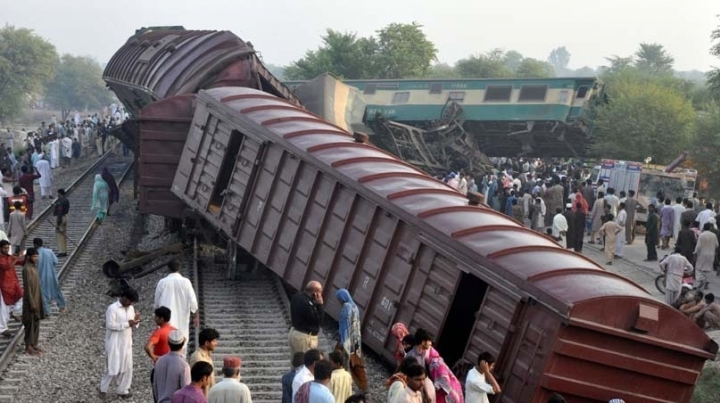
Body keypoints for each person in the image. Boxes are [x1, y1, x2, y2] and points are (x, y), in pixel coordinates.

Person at [100, 288, 141, 399]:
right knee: (112, 366)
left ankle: (123, 390)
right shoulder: (112, 308)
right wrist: (127, 324)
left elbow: (133, 324)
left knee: (127, 367)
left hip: (127, 342)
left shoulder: (131, 308)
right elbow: (110, 325)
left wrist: (136, 321)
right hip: (114, 342)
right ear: (124, 297)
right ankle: (103, 389)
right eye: (129, 301)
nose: (130, 304)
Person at [155, 259, 199, 348]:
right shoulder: (186, 282)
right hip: (182, 317)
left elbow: (156, 302)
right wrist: (195, 316)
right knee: (181, 341)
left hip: (166, 318)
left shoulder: (162, 282)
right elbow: (193, 300)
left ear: (168, 268)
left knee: (167, 342)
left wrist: (157, 316)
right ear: (179, 268)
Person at [335, 288, 367, 391]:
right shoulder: (355, 307)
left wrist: (343, 342)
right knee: (357, 364)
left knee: (339, 362)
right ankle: (363, 386)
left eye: (339, 298)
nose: (338, 301)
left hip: (347, 341)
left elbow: (345, 327)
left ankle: (341, 385)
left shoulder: (346, 308)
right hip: (356, 341)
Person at [146, 306, 176, 400]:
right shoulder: (175, 330)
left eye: (156, 317)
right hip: (173, 368)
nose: (155, 319)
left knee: (158, 396)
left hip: (160, 368)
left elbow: (147, 346)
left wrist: (154, 357)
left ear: (161, 319)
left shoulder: (159, 332)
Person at [153, 330, 191, 403]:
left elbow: (155, 387)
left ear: (168, 343)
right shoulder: (184, 365)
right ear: (183, 344)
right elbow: (186, 393)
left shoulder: (159, 361)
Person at [289, 281, 324, 357]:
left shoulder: (297, 297)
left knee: (296, 362)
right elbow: (318, 320)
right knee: (305, 364)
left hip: (295, 333)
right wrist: (320, 305)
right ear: (315, 293)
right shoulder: (307, 304)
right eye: (320, 292)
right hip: (304, 338)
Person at [33, 238, 67, 314]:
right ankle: (62, 306)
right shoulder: (49, 251)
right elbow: (55, 262)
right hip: (52, 275)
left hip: (41, 276)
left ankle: (47, 311)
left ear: (35, 245)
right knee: (56, 291)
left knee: (43, 293)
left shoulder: (35, 254)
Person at [21, 248, 45, 356]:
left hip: (36, 298)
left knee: (36, 321)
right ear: (29, 257)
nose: (36, 258)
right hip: (30, 301)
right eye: (34, 256)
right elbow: (27, 288)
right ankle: (28, 346)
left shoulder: (33, 267)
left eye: (37, 256)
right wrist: (32, 302)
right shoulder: (26, 269)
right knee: (30, 323)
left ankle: (34, 343)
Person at [0, 239, 23, 337]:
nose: (7, 249)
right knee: (3, 307)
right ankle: (2, 328)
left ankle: (14, 312)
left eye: (8, 247)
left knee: (21, 296)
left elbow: (20, 262)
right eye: (5, 248)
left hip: (13, 283)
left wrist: (26, 256)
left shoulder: (10, 257)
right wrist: (17, 259)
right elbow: (7, 267)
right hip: (3, 285)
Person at [189, 328, 220, 396]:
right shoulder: (198, 357)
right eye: (214, 341)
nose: (216, 343)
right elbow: (197, 382)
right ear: (206, 343)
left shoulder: (207, 355)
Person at [694, 223, 718, 290]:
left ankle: (701, 280)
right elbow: (716, 245)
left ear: (703, 228)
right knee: (708, 269)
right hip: (711, 254)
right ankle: (706, 283)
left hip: (702, 254)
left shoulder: (701, 235)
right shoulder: (714, 235)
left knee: (698, 268)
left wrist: (695, 253)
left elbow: (698, 246)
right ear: (710, 228)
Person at [53, 189, 69, 257]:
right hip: (65, 217)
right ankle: (64, 250)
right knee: (63, 235)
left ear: (60, 193)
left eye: (58, 193)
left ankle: (61, 252)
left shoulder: (60, 202)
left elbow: (59, 211)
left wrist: (58, 223)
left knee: (60, 236)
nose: (57, 195)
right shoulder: (66, 200)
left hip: (60, 218)